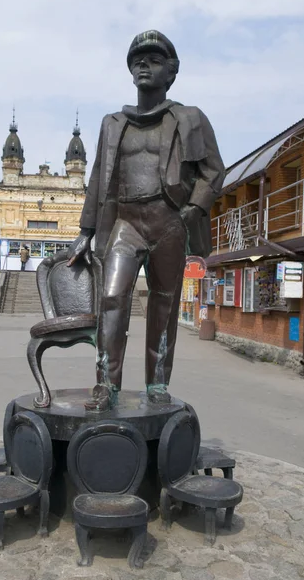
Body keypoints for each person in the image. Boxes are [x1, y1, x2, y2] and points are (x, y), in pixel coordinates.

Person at [67, 30, 225, 411]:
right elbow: (98, 178)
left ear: (171, 72)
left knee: (164, 305)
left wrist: (191, 210)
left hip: (168, 219)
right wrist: (86, 231)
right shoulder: (113, 123)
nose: (144, 66)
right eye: (138, 60)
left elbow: (213, 172)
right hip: (125, 222)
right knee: (111, 296)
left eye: (154, 60)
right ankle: (107, 383)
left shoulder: (189, 118)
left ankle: (157, 384)